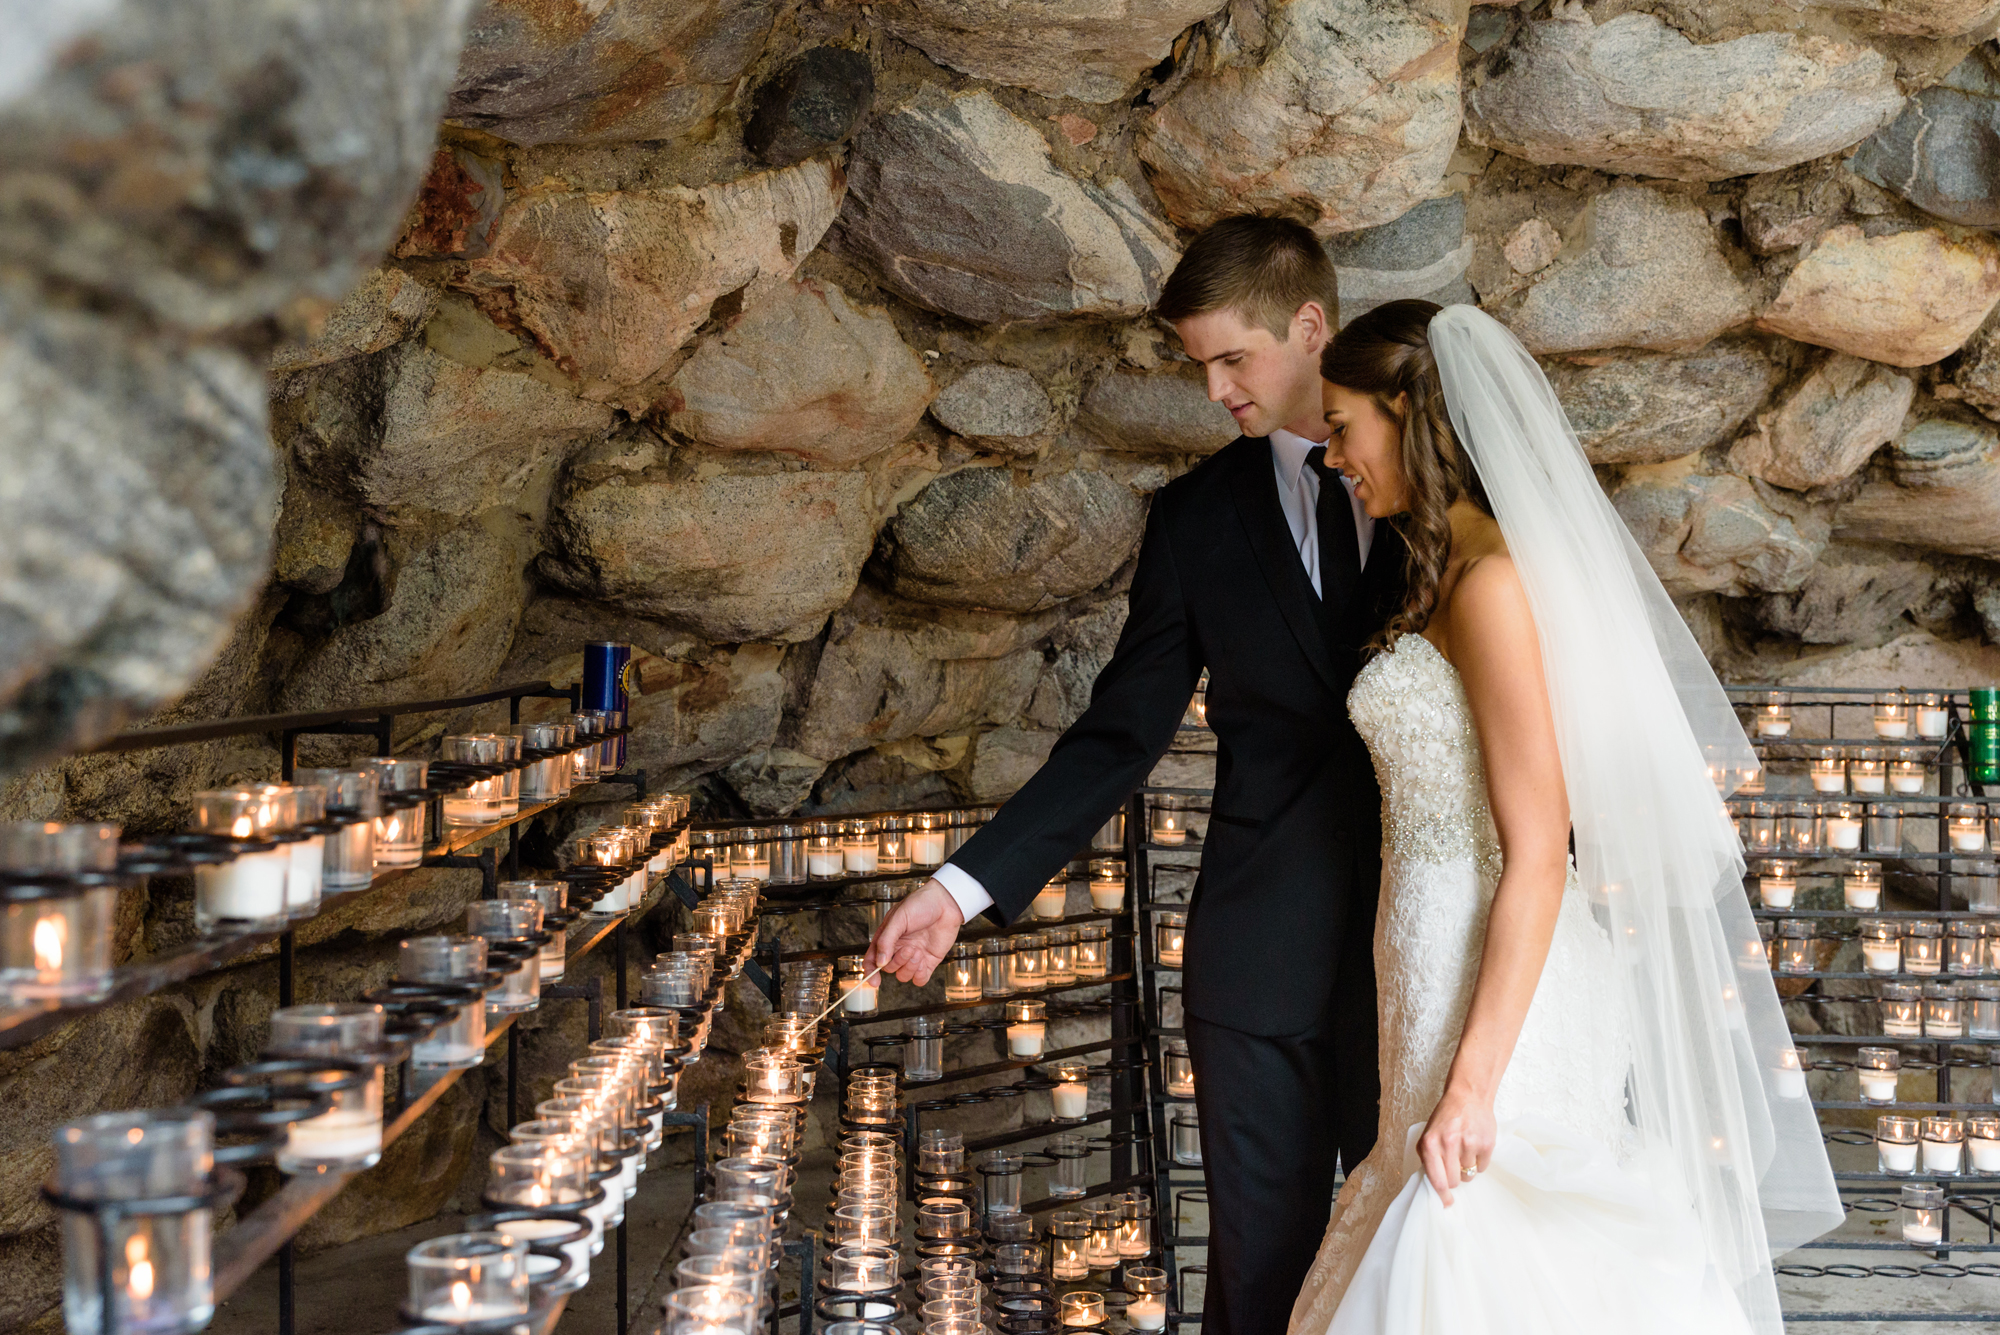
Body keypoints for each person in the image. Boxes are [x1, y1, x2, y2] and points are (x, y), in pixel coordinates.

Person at [863, 213, 1405, 1335]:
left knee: (1420, 1247)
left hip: (1422, 938)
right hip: (1257, 956)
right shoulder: (1195, 520)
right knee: (1258, 1269)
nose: (1213, 390)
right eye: (1197, 364)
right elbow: (1119, 734)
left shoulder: (1447, 486)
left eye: (1229, 358)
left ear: (1308, 327)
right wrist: (959, 888)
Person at [1288, 300, 1841, 1335]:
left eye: (1340, 425)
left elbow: (1537, 850)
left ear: (1406, 412)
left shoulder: (1492, 583)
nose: (1330, 457)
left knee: (1480, 1238)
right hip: (1426, 964)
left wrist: (1475, 1082)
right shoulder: (1432, 573)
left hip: (1502, 984)